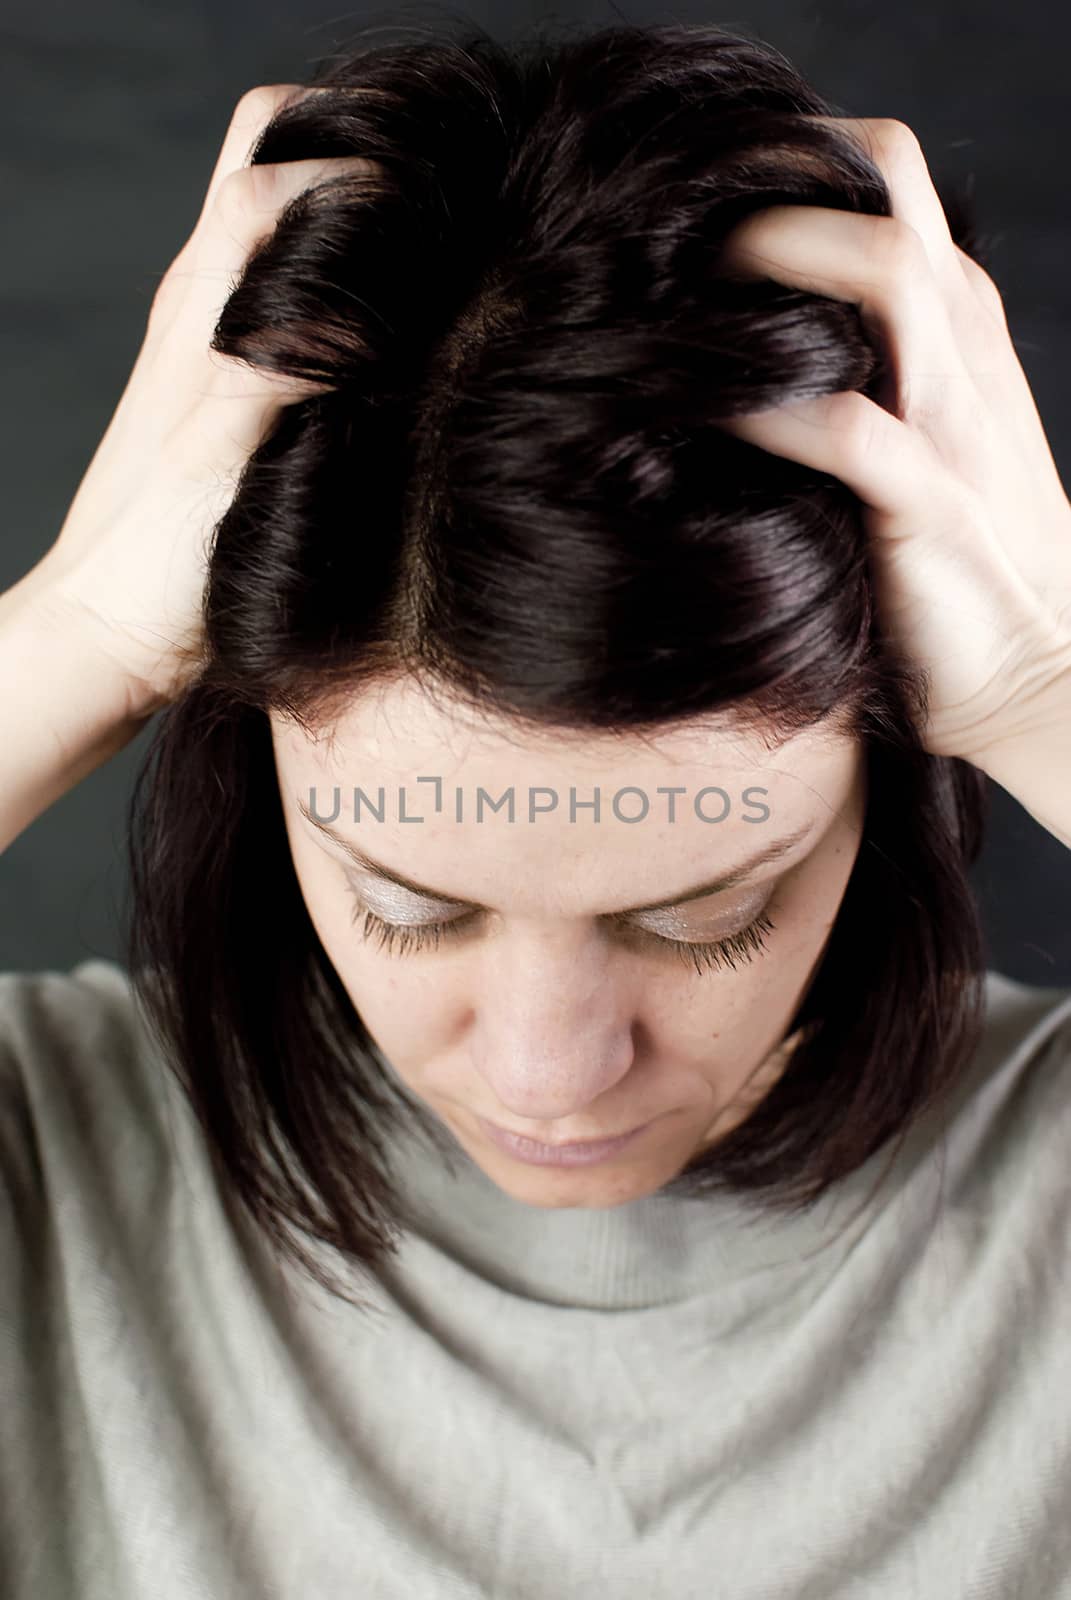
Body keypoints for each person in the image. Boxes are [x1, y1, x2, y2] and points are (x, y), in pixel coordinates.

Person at [2, 20, 1071, 1599]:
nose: (548, 1069)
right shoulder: (50, 1163)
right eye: (408, 903)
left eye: (706, 911)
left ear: (894, 770)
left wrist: (1050, 682)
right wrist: (79, 634)